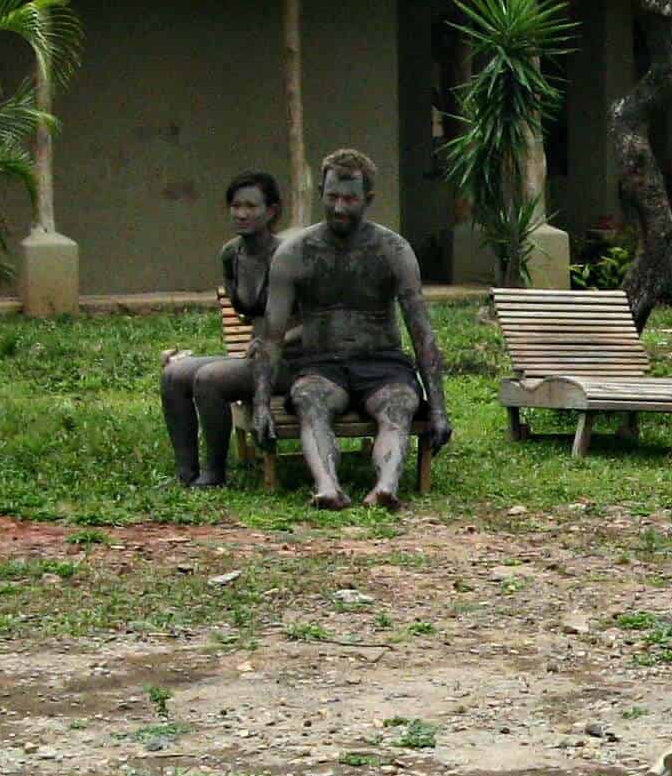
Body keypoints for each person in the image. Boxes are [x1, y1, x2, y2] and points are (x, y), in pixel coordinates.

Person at [254, 148, 453, 511]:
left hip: (382, 361)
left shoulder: (393, 250)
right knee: (308, 400)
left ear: (368, 199)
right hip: (321, 364)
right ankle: (327, 486)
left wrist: (438, 408)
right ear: (320, 194)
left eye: (349, 199)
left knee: (401, 404)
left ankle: (385, 487)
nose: (340, 208)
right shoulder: (294, 253)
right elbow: (271, 335)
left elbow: (421, 331)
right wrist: (261, 403)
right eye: (332, 197)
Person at [160, 171, 285, 488]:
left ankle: (214, 473)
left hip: (294, 360)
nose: (241, 213)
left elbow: (316, 323)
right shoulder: (232, 255)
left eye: (251, 206)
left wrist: (273, 341)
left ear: (271, 211)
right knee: (174, 375)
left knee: (210, 379)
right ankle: (185, 473)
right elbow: (245, 313)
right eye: (235, 205)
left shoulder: (290, 256)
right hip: (255, 359)